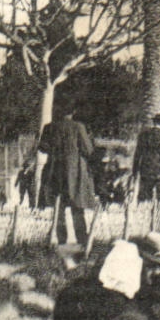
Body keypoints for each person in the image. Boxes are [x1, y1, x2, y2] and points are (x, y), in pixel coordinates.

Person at [38, 102, 97, 245]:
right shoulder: (78, 127)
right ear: (73, 112)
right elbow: (88, 150)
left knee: (58, 208)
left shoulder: (49, 127)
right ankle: (82, 239)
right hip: (74, 173)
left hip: (54, 171)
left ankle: (61, 240)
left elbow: (42, 147)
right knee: (77, 207)